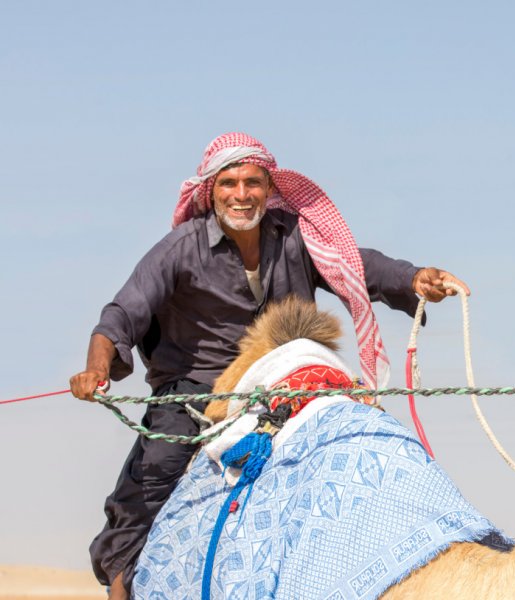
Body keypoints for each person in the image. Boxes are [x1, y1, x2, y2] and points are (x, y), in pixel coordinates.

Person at [69, 132, 468, 599]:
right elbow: (123, 312)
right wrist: (96, 366)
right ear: (211, 191)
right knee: (150, 480)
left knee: (365, 436)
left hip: (289, 376)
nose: (241, 195)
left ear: (268, 186)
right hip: (201, 390)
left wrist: (414, 278)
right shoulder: (181, 248)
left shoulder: (295, 236)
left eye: (253, 183)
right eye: (230, 183)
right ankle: (124, 583)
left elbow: (358, 265)